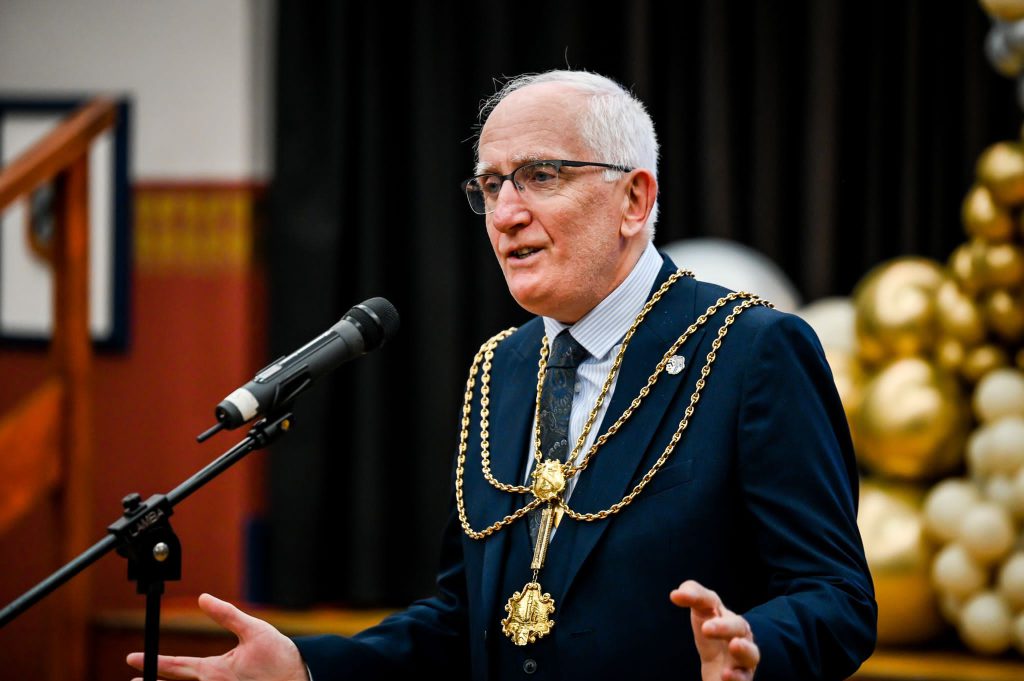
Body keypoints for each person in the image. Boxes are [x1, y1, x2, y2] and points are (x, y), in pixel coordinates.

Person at [128, 70, 876, 681]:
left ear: (634, 199)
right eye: (489, 185)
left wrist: (755, 643)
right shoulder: (502, 367)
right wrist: (306, 666)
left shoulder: (750, 348)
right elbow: (465, 621)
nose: (506, 211)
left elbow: (838, 597)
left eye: (540, 176)